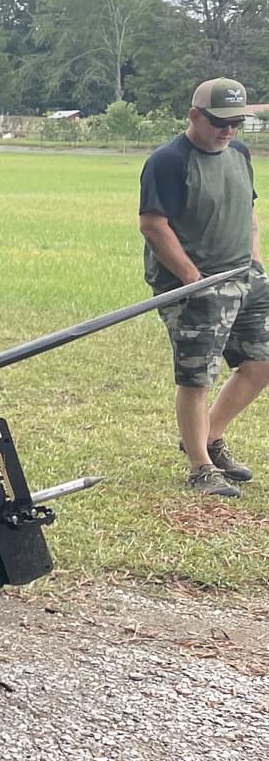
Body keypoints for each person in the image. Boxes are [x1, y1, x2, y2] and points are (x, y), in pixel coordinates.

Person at [138, 78, 269, 497]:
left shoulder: (240, 154)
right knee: (197, 377)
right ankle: (200, 467)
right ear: (195, 115)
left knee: (261, 365)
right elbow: (153, 225)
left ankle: (209, 437)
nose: (228, 130)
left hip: (243, 276)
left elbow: (247, 210)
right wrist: (193, 279)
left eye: (236, 122)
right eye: (218, 121)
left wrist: (255, 259)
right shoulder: (169, 161)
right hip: (194, 284)